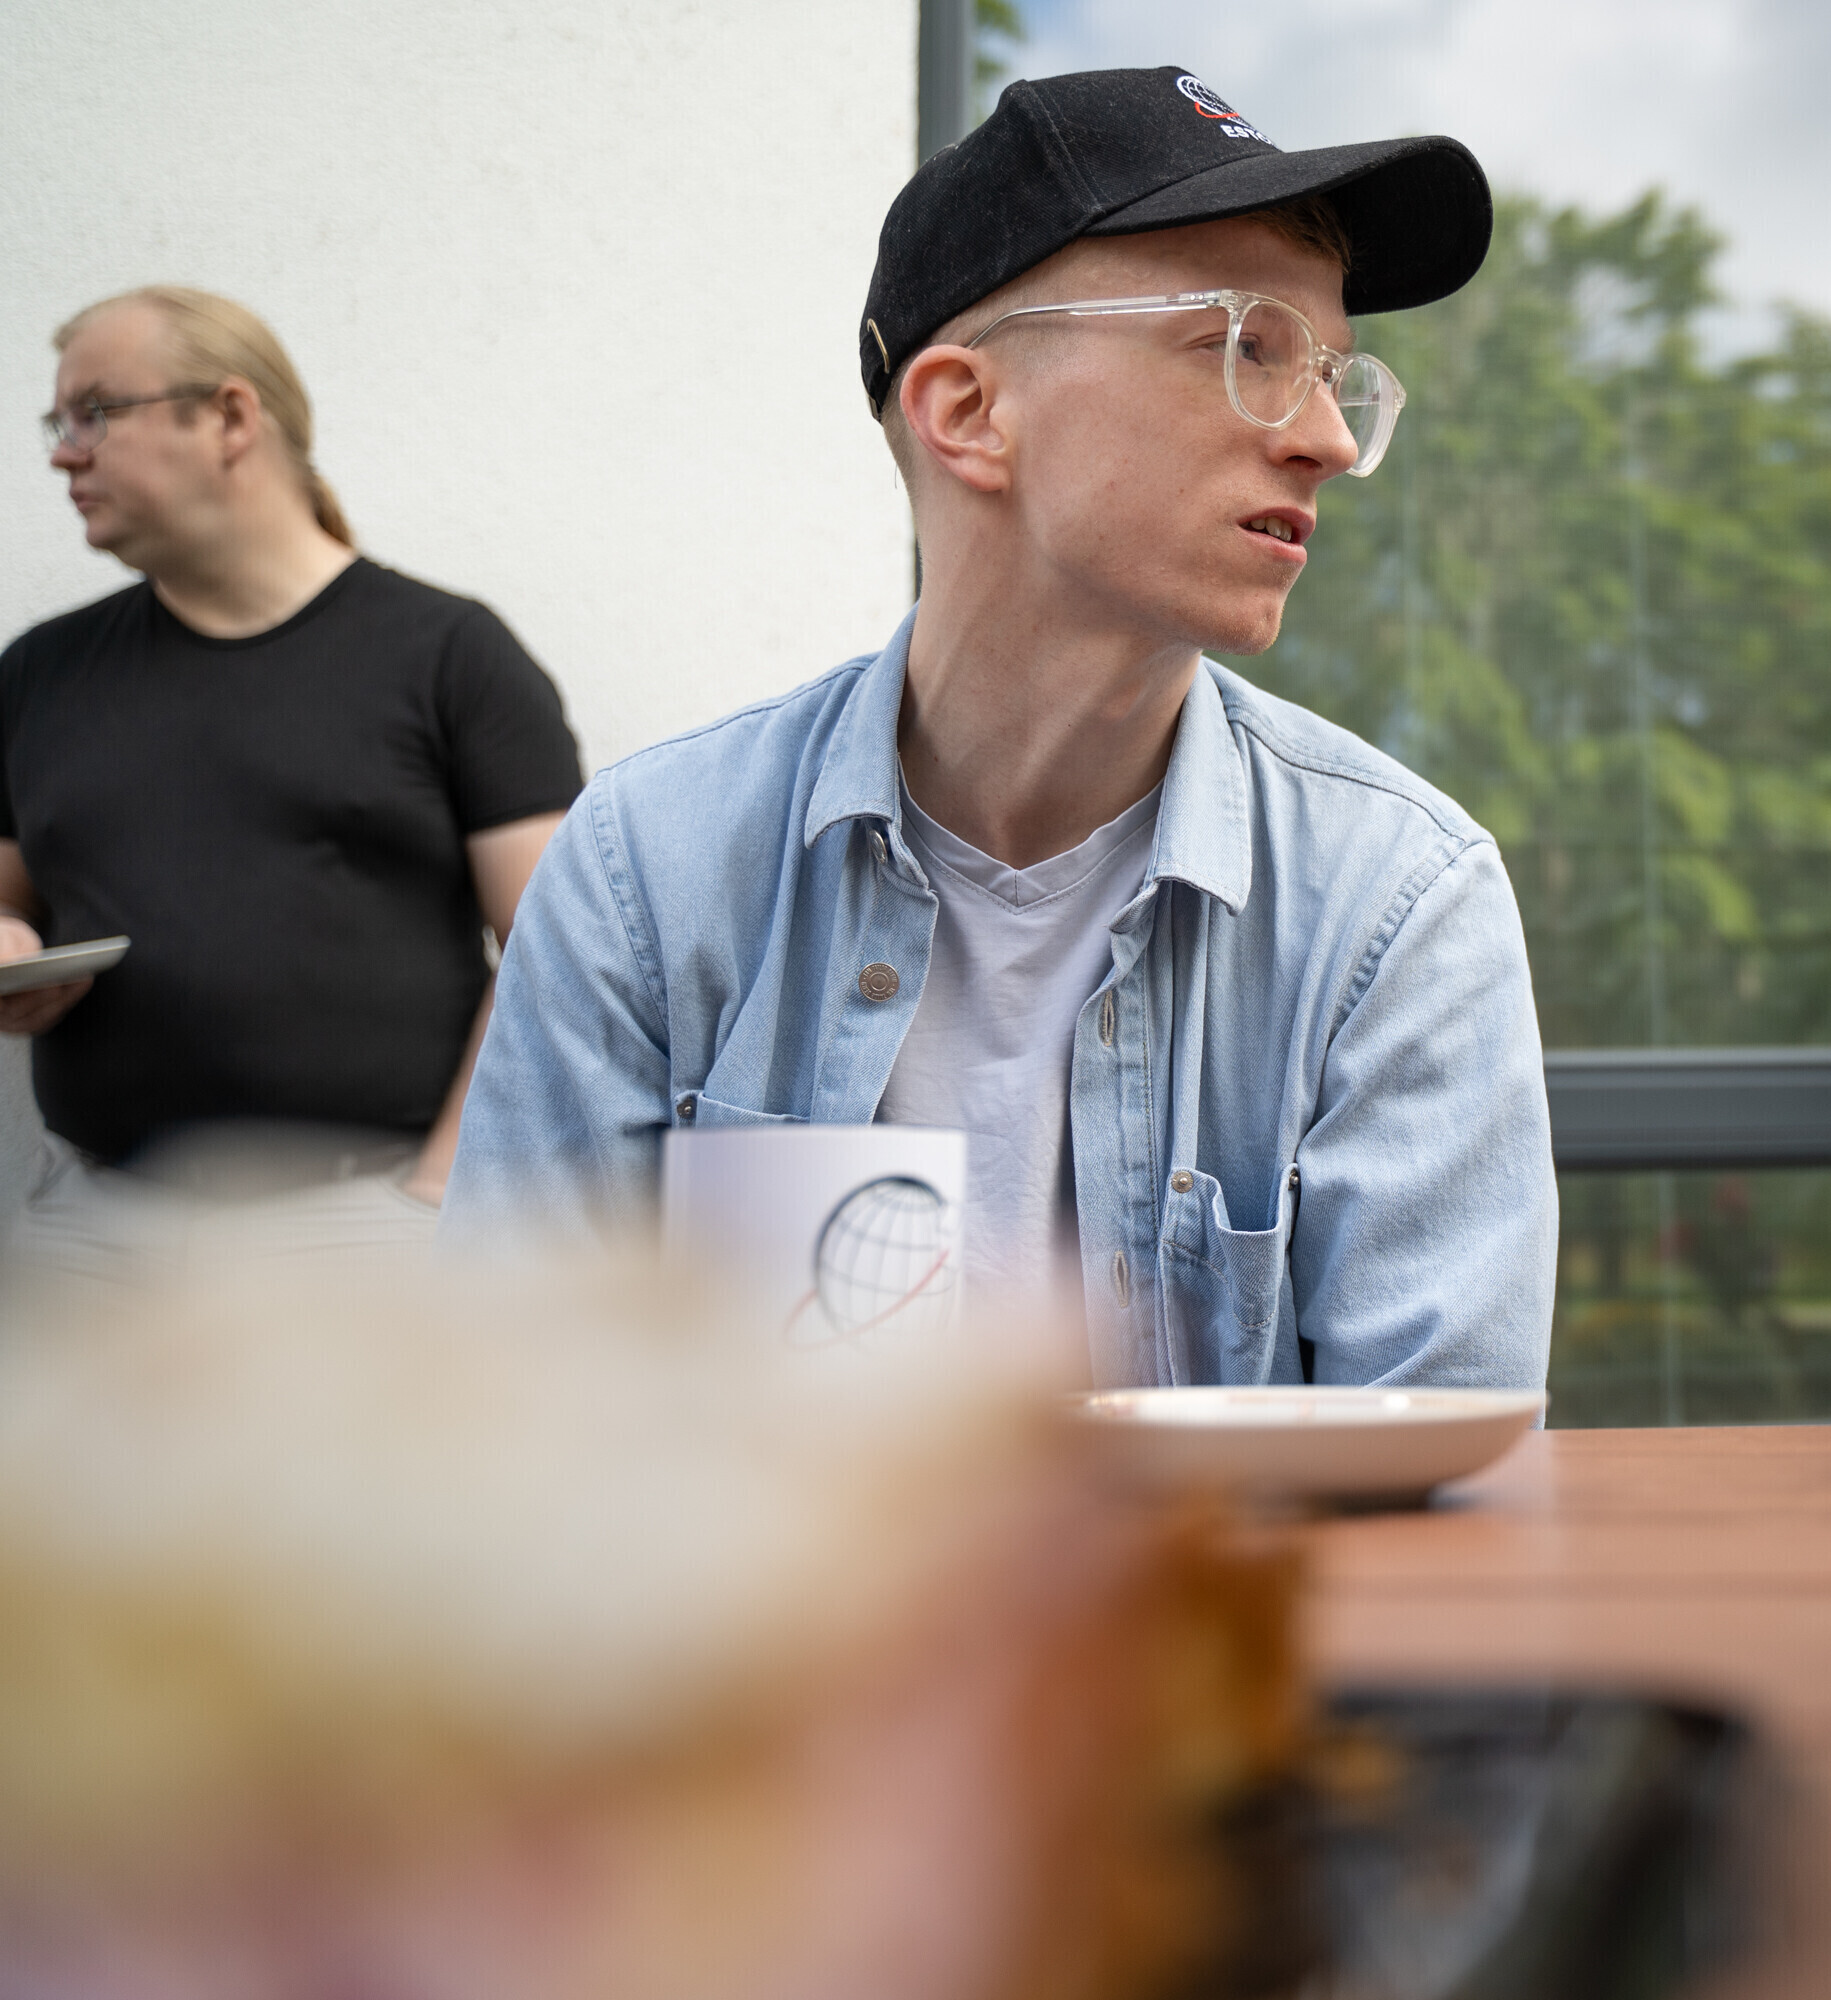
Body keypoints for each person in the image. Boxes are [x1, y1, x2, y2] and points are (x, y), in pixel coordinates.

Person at [445, 68, 1556, 1391]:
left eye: (1334, 373)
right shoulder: (649, 874)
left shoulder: (1396, 900)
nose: (1325, 436)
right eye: (1251, 346)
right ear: (971, 413)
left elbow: (1436, 1477)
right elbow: (515, 1427)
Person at [2, 287, 578, 1277]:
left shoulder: (448, 656)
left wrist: (436, 1192)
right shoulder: (40, 673)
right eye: (59, 423)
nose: (64, 453)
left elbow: (554, 947)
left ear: (230, 416)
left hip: (354, 1231)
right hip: (90, 1225)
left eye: (94, 412)